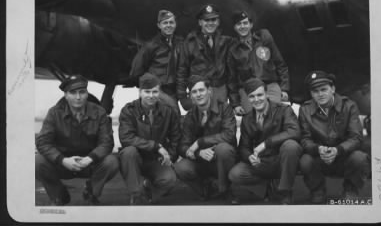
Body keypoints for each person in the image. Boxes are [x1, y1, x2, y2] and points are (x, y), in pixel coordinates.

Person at [35, 75, 119, 205]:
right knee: (37, 161)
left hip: (89, 163)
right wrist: (62, 160)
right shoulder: (54, 113)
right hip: (63, 163)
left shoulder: (99, 112)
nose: (78, 97)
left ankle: (91, 191)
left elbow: (107, 142)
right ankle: (58, 195)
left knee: (111, 162)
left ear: (87, 94)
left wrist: (89, 158)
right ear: (66, 95)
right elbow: (42, 142)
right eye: (73, 93)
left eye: (82, 92)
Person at [299, 70, 371, 204]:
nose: (320, 94)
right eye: (315, 91)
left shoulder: (349, 106)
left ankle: (350, 190)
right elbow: (305, 139)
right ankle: (317, 191)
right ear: (311, 94)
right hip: (320, 157)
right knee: (305, 160)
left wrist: (338, 150)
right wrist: (317, 149)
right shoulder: (305, 109)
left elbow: (356, 137)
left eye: (323, 89)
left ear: (333, 89)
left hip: (344, 156)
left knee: (360, 158)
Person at [228, 78, 302, 204]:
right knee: (235, 174)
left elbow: (295, 131)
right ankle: (268, 186)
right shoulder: (247, 118)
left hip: (280, 159)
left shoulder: (284, 110)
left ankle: (285, 191)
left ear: (267, 94)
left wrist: (266, 143)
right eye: (251, 96)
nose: (256, 100)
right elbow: (243, 147)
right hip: (261, 162)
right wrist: (250, 157)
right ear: (248, 98)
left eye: (260, 95)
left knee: (291, 146)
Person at [119, 73, 181, 205]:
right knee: (128, 152)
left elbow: (176, 137)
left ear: (159, 92)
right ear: (140, 92)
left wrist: (170, 156)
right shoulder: (129, 110)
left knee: (169, 180)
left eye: (155, 92)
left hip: (155, 160)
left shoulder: (168, 112)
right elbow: (126, 138)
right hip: (136, 159)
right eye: (147, 92)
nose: (151, 96)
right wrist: (156, 146)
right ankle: (136, 195)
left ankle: (148, 192)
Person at [174, 75, 237, 203]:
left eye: (201, 90)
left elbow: (229, 135)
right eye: (194, 92)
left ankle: (225, 190)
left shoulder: (225, 108)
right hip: (201, 160)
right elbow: (182, 146)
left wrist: (200, 142)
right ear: (190, 96)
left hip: (221, 158)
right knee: (181, 167)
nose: (198, 94)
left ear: (209, 91)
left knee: (223, 149)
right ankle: (204, 189)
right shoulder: (190, 116)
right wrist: (198, 153)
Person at [227, 10, 290, 115]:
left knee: (276, 117)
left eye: (245, 23)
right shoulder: (233, 50)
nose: (242, 26)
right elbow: (231, 79)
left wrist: (284, 88)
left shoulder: (264, 38)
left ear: (251, 25)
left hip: (270, 85)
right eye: (239, 24)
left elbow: (280, 64)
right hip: (248, 90)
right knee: (253, 122)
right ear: (234, 27)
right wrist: (236, 103)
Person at [176, 4, 232, 110]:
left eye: (213, 20)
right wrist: (182, 97)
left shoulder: (226, 42)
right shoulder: (189, 43)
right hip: (199, 92)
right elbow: (182, 71)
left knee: (219, 123)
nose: (210, 23)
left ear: (218, 22)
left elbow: (231, 70)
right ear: (200, 22)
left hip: (220, 91)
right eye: (206, 20)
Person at [128, 9, 183, 114]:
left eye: (171, 22)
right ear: (159, 25)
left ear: (175, 24)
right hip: (157, 91)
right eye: (165, 23)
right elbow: (135, 72)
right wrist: (150, 86)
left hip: (173, 91)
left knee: (172, 122)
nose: (168, 25)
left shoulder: (180, 44)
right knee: (172, 115)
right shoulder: (151, 46)